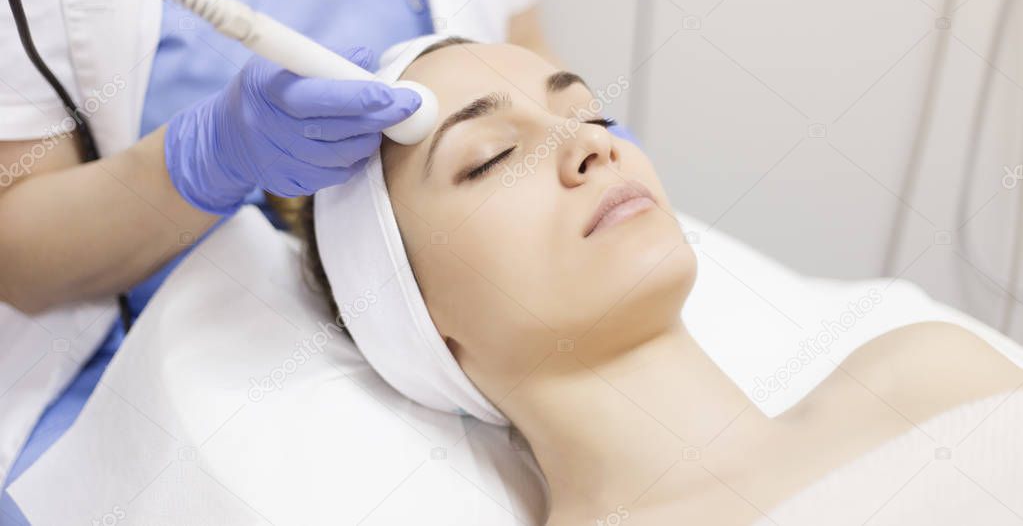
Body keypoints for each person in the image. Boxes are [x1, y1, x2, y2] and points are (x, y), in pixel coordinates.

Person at [0, 0, 561, 520]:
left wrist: (581, 128)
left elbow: (525, 55)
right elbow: (17, 246)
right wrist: (207, 157)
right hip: (133, 362)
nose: (591, 152)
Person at [304, 38, 1023, 525]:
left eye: (588, 113)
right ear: (420, 322)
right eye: (491, 156)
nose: (591, 142)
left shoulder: (926, 374)